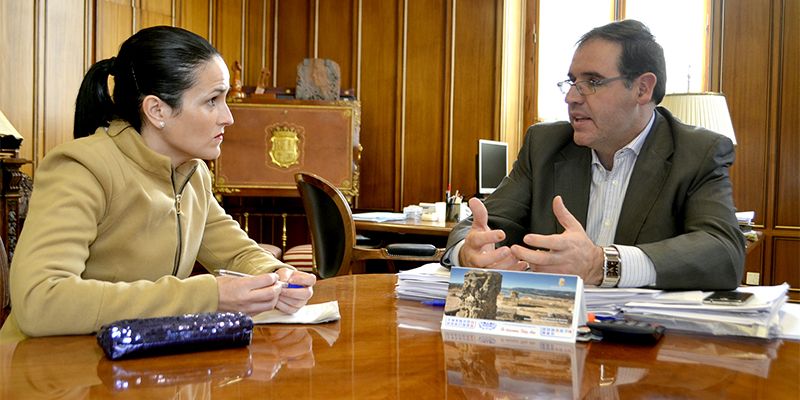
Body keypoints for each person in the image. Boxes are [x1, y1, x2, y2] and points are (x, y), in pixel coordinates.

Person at [0, 26, 316, 339]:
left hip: (133, 368)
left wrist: (277, 275)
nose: (228, 117)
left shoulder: (193, 174)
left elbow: (237, 254)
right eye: (212, 101)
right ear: (157, 110)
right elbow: (39, 300)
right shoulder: (81, 169)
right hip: (50, 375)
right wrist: (208, 296)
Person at [443, 20, 745, 290]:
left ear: (642, 88)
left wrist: (602, 263)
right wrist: (467, 252)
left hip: (646, 341)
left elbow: (724, 252)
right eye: (573, 81)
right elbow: (482, 225)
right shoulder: (546, 144)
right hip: (552, 335)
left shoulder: (696, 152)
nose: (571, 97)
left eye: (592, 82)